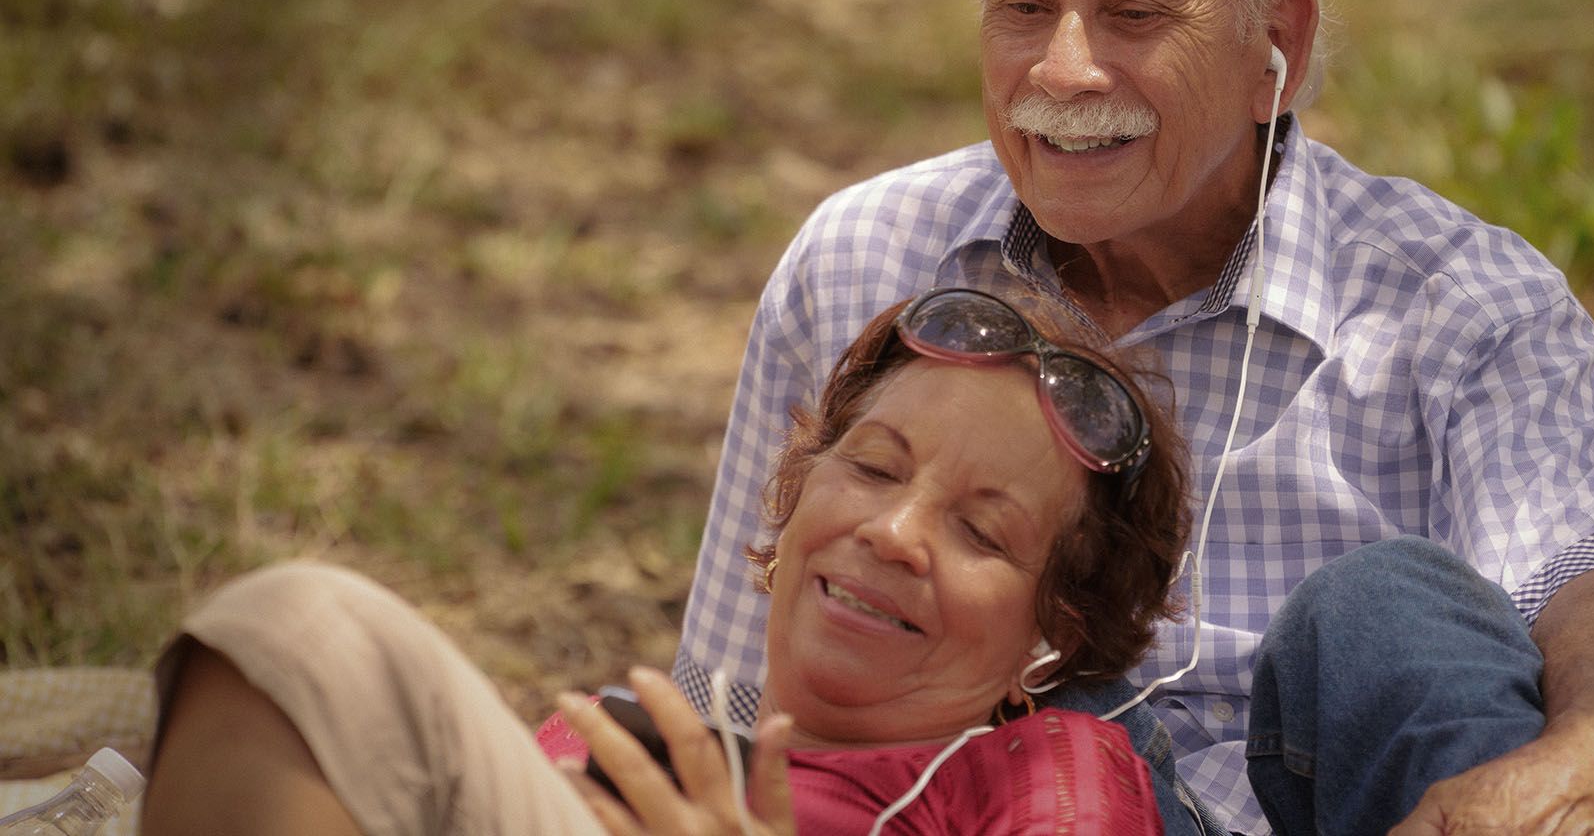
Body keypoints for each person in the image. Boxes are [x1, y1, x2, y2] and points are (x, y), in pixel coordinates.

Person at [673, 0, 1594, 836]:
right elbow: (744, 673)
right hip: (1027, 803)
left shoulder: (1457, 300)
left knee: (1377, 613)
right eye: (1022, 7)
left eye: (1134, 14)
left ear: (1271, 51)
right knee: (1054, 724)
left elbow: (1585, 585)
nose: (1065, 68)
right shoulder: (868, 253)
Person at [139, 288, 1197, 835]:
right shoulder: (642, 720)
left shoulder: (1042, 771)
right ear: (796, 496)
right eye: (873, 469)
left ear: (1055, 635)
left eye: (981, 533)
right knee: (282, 656)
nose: (894, 532)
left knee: (310, 630)